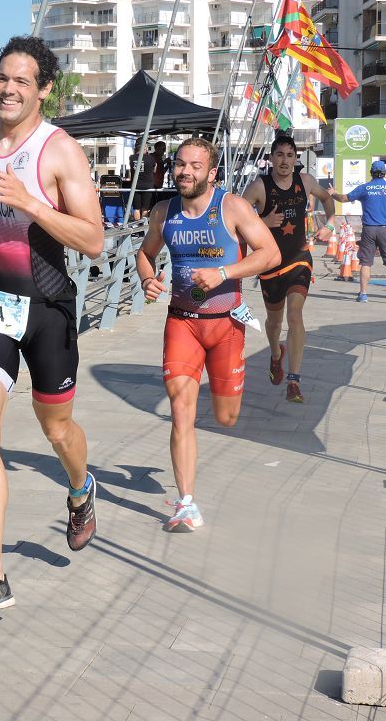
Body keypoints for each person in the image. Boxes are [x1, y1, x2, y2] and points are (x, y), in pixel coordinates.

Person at [0, 35, 104, 614]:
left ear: (43, 91)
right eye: (1, 79)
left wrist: (34, 205)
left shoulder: (58, 151)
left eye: (21, 82)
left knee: (56, 429)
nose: (8, 90)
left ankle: (81, 489)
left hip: (49, 306)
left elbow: (93, 239)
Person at [136, 138, 280, 532]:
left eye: (195, 166)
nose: (185, 172)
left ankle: (232, 390)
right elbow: (145, 254)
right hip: (181, 322)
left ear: (211, 172)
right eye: (181, 165)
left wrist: (224, 273)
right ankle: (185, 503)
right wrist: (148, 279)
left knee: (225, 417)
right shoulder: (165, 212)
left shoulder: (231, 207)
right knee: (181, 409)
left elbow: (270, 253)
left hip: (226, 326)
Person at [241, 135, 335, 404]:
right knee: (274, 322)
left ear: (296, 159)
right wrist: (263, 220)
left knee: (295, 315)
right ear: (271, 158)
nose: (284, 160)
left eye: (289, 155)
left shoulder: (304, 182)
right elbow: (235, 216)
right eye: (279, 155)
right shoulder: (259, 186)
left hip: (298, 258)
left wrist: (330, 223)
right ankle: (275, 353)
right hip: (269, 263)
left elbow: (327, 199)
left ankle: (294, 380)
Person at [329, 161, 386, 303]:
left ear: (371, 172)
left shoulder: (364, 188)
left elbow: (344, 198)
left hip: (369, 229)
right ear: (384, 173)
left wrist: (333, 194)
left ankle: (363, 294)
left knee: (366, 263)